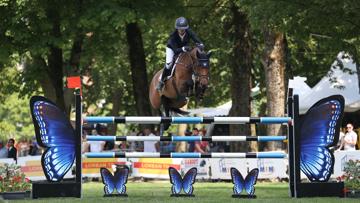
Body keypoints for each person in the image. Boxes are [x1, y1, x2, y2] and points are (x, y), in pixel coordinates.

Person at [156, 16, 203, 91]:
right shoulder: (173, 36)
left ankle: (195, 77)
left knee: (193, 60)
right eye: (180, 29)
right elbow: (175, 50)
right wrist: (182, 49)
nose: (181, 30)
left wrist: (200, 44)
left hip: (185, 49)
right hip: (172, 49)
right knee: (168, 64)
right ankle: (161, 81)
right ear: (177, 28)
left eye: (183, 29)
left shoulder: (189, 31)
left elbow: (196, 39)